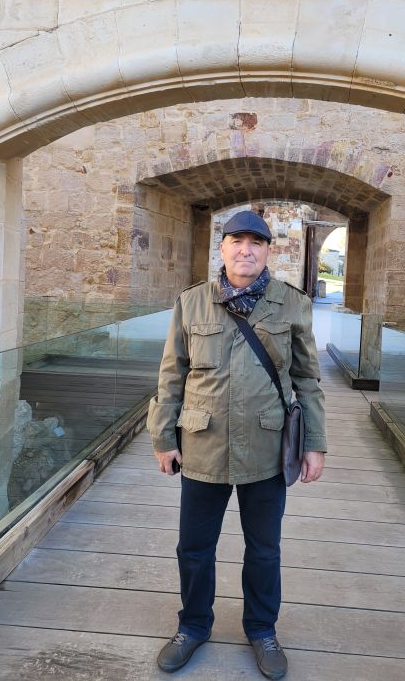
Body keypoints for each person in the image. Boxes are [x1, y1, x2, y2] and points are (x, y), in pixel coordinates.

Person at [147, 210, 326, 679]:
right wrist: (163, 437)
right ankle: (192, 626)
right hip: (202, 444)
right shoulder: (192, 303)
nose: (246, 250)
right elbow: (171, 375)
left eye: (256, 242)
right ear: (222, 247)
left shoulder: (291, 304)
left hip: (266, 447)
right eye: (237, 241)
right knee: (193, 547)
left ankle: (262, 629)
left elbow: (307, 379)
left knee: (264, 549)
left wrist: (315, 444)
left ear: (267, 250)